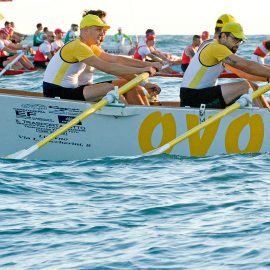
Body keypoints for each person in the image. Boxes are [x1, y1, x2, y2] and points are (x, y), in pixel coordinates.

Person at [43, 14, 162, 105]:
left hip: (73, 89)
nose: (101, 34)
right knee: (109, 88)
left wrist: (145, 81)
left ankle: (143, 114)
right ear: (85, 30)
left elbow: (116, 60)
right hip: (55, 92)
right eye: (98, 30)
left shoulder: (90, 46)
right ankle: (129, 121)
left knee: (127, 84)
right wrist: (144, 69)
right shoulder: (78, 46)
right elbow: (109, 68)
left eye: (102, 30)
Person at [180, 22, 270, 109]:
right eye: (235, 39)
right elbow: (247, 66)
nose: (238, 44)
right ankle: (266, 120)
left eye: (240, 41)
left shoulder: (212, 44)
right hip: (191, 97)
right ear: (223, 36)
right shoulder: (216, 48)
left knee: (254, 87)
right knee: (245, 86)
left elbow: (249, 66)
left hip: (198, 94)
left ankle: (267, 112)